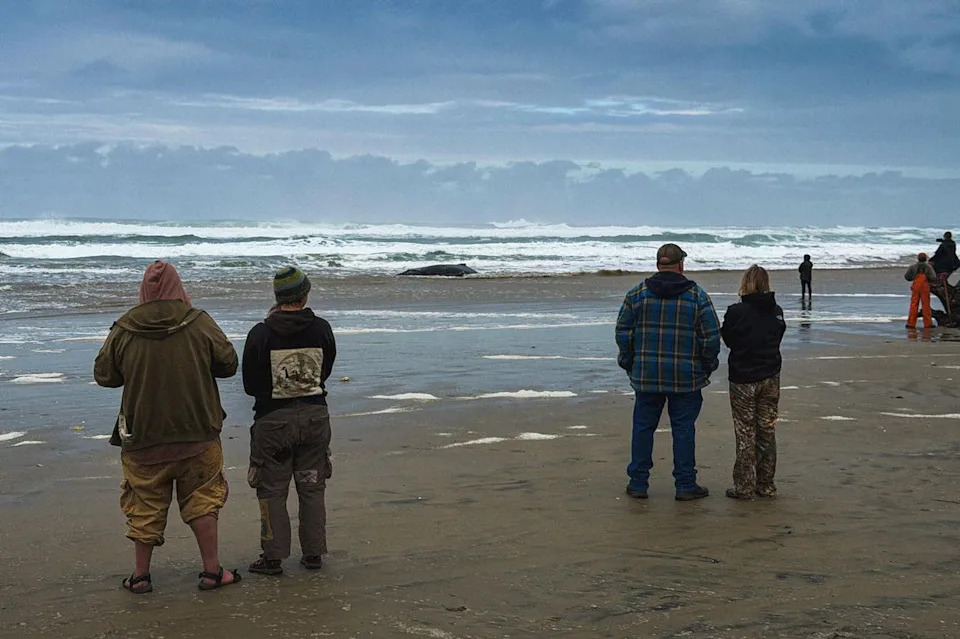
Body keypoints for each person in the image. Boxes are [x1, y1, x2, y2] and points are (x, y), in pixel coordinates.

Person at [93, 260, 241, 594]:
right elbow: (229, 364)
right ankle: (212, 572)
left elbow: (104, 375)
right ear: (179, 287)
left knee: (143, 505)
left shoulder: (125, 327)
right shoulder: (198, 321)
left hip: (142, 437)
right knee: (203, 501)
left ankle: (140, 576)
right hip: (198, 432)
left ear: (143, 290)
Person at [243, 266, 337, 575]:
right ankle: (313, 554)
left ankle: (272, 557)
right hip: (314, 418)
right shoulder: (322, 329)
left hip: (273, 423)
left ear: (278, 297)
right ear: (305, 295)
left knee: (272, 490)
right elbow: (326, 369)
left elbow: (249, 384)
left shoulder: (260, 333)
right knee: (311, 486)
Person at [615, 243, 721, 501]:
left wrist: (630, 362)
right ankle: (685, 484)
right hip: (686, 377)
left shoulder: (636, 295)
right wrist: (707, 365)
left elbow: (622, 333)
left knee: (643, 428)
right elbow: (711, 337)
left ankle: (638, 483)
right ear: (681, 265)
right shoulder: (697, 296)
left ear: (657, 265)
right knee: (683, 430)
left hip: (647, 375)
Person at [720, 265, 786, 500]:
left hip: (743, 378)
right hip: (770, 375)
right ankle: (766, 484)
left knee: (745, 432)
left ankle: (745, 486)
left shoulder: (737, 312)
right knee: (766, 430)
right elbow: (778, 336)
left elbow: (727, 338)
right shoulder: (776, 310)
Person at [905, 252, 937, 329]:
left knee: (914, 304)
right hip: (924, 287)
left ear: (918, 259)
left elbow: (907, 277)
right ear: (925, 259)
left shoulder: (913, 267)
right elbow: (933, 277)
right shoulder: (928, 267)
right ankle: (928, 324)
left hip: (916, 286)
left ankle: (911, 324)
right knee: (926, 305)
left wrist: (914, 277)